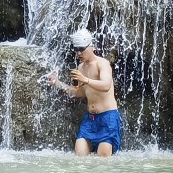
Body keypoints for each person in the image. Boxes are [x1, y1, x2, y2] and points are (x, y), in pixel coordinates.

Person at [49, 28, 121, 156]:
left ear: (91, 46)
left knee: (102, 162)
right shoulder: (81, 68)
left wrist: (85, 79)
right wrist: (57, 83)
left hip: (108, 118)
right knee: (80, 159)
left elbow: (106, 85)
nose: (78, 53)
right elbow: (79, 93)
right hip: (90, 119)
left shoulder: (102, 63)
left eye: (81, 49)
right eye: (76, 49)